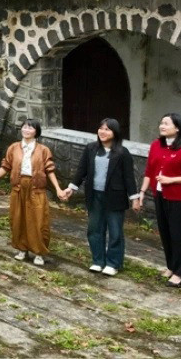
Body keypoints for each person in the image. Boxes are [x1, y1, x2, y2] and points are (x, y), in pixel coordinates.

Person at [59, 118, 139, 275]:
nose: (103, 132)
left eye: (107, 129)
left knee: (115, 231)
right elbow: (81, 171)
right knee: (95, 229)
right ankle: (98, 261)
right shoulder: (91, 148)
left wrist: (134, 198)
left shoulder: (122, 153)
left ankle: (113, 263)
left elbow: (129, 178)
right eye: (101, 128)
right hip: (94, 195)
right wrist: (71, 188)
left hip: (115, 197)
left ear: (115, 133)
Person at [0, 118, 62, 266]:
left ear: (36, 132)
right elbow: (6, 166)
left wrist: (58, 189)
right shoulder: (13, 148)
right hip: (18, 187)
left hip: (36, 189)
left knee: (39, 220)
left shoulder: (43, 150)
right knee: (18, 218)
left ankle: (39, 252)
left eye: (30, 128)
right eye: (24, 127)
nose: (26, 130)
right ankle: (22, 248)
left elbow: (50, 170)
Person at [140, 113, 181, 288]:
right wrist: (142, 191)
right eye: (161, 123)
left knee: (178, 235)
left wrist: (171, 180)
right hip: (160, 196)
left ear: (177, 128)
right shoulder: (156, 145)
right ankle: (171, 266)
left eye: (166, 124)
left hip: (180, 198)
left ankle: (180, 273)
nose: (162, 126)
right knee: (165, 232)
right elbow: (149, 170)